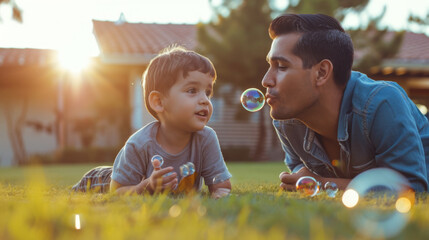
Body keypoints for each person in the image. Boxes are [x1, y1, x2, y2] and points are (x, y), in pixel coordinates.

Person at [261, 14, 429, 192]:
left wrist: (318, 183)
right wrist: (300, 176)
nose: (266, 80)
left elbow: (412, 187)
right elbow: (297, 165)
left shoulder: (381, 103)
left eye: (281, 66)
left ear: (321, 73)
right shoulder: (287, 120)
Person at [72, 46, 232, 197]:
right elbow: (117, 191)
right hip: (105, 180)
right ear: (159, 102)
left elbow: (221, 185)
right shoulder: (139, 144)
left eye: (208, 92)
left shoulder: (206, 138)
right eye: (192, 91)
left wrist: (219, 192)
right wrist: (147, 186)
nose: (205, 100)